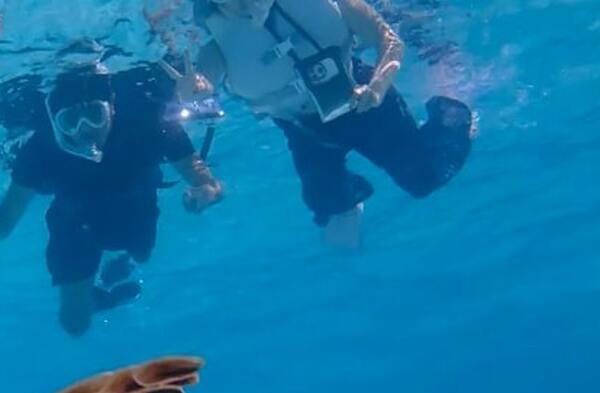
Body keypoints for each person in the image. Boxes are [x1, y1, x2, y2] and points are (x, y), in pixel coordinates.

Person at [181, 0, 473, 247]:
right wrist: (195, 90)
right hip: (304, 128)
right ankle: (347, 199)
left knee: (424, 180)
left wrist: (378, 86)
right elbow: (203, 83)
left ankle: (455, 115)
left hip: (362, 100)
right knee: (327, 204)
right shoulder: (217, 44)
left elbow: (389, 40)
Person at [0, 63, 224, 336]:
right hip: (73, 223)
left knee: (142, 253)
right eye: (70, 121)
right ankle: (103, 295)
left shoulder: (150, 123)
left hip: (136, 207)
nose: (84, 130)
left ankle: (115, 271)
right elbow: (3, 224)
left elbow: (208, 182)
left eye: (94, 114)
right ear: (55, 122)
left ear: (112, 108)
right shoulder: (40, 150)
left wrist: (207, 193)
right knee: (75, 323)